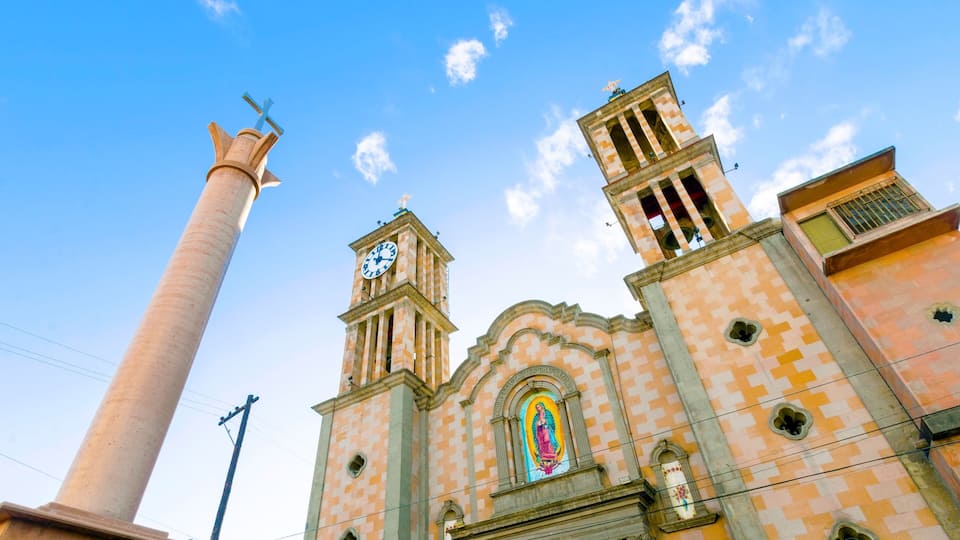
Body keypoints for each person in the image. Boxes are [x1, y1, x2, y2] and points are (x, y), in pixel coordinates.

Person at [531, 401, 560, 474]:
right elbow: (533, 426)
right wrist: (537, 424)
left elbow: (551, 421)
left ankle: (551, 455)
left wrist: (545, 421)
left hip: (547, 431)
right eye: (536, 408)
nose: (538, 409)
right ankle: (544, 456)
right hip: (540, 433)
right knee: (542, 444)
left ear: (542, 406)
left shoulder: (547, 413)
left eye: (538, 407)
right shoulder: (536, 416)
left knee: (548, 443)